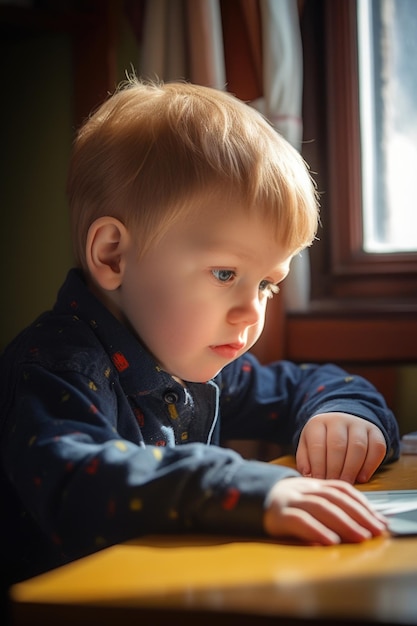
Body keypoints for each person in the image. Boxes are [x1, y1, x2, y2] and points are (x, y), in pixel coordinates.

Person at [0, 78, 399, 588]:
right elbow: (80, 481)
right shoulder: (57, 366)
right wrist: (236, 486)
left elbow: (313, 384)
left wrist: (344, 414)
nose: (250, 311)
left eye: (268, 286)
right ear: (112, 255)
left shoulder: (182, 357)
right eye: (225, 274)